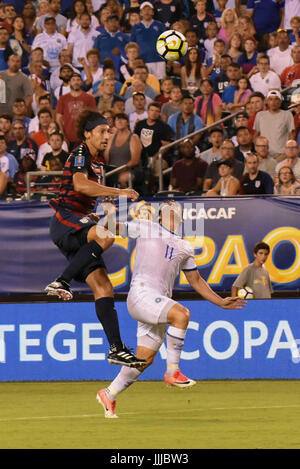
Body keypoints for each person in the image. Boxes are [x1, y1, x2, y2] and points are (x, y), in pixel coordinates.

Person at [96, 199, 246, 418]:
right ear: (159, 215)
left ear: (181, 217)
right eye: (166, 205)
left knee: (144, 359)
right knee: (182, 314)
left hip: (157, 302)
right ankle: (172, 372)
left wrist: (220, 301)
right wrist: (109, 212)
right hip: (141, 294)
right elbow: (112, 227)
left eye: (174, 205)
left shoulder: (185, 246)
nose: (170, 205)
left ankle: (109, 393)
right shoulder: (147, 226)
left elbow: (196, 281)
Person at [45, 108, 147, 368]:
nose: (106, 135)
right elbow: (80, 185)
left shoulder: (100, 165)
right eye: (102, 131)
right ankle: (61, 281)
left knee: (104, 287)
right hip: (64, 219)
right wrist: (119, 191)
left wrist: (106, 208)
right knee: (106, 235)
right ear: (87, 134)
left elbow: (92, 194)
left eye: (108, 132)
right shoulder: (80, 153)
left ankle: (116, 349)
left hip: (79, 223)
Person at [56, 73, 97, 149]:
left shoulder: (89, 98)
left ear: (81, 82)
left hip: (84, 138)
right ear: (69, 83)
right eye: (73, 80)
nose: (76, 82)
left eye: (78, 80)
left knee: (82, 160)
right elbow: (58, 119)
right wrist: (63, 136)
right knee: (69, 160)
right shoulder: (63, 99)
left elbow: (94, 118)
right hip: (68, 138)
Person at [104, 112, 142, 189]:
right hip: (113, 170)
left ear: (127, 122)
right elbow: (106, 158)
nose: (120, 122)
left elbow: (135, 160)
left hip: (130, 170)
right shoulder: (111, 138)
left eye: (122, 119)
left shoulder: (133, 137)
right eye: (117, 120)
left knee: (122, 178)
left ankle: (124, 200)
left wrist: (119, 171)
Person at [254, 89, 295, 157]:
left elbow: (292, 135)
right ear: (266, 101)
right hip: (264, 155)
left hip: (282, 155)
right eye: (270, 99)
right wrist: (259, 151)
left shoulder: (287, 114)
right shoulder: (260, 115)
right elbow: (256, 135)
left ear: (280, 101)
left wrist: (287, 153)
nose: (273, 102)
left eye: (276, 99)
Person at [130, 2, 166, 79]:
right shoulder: (136, 27)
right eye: (144, 10)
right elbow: (132, 45)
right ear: (141, 13)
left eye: (149, 9)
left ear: (153, 12)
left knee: (160, 83)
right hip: (142, 62)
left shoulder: (160, 25)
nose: (146, 12)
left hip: (159, 60)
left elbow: (166, 43)